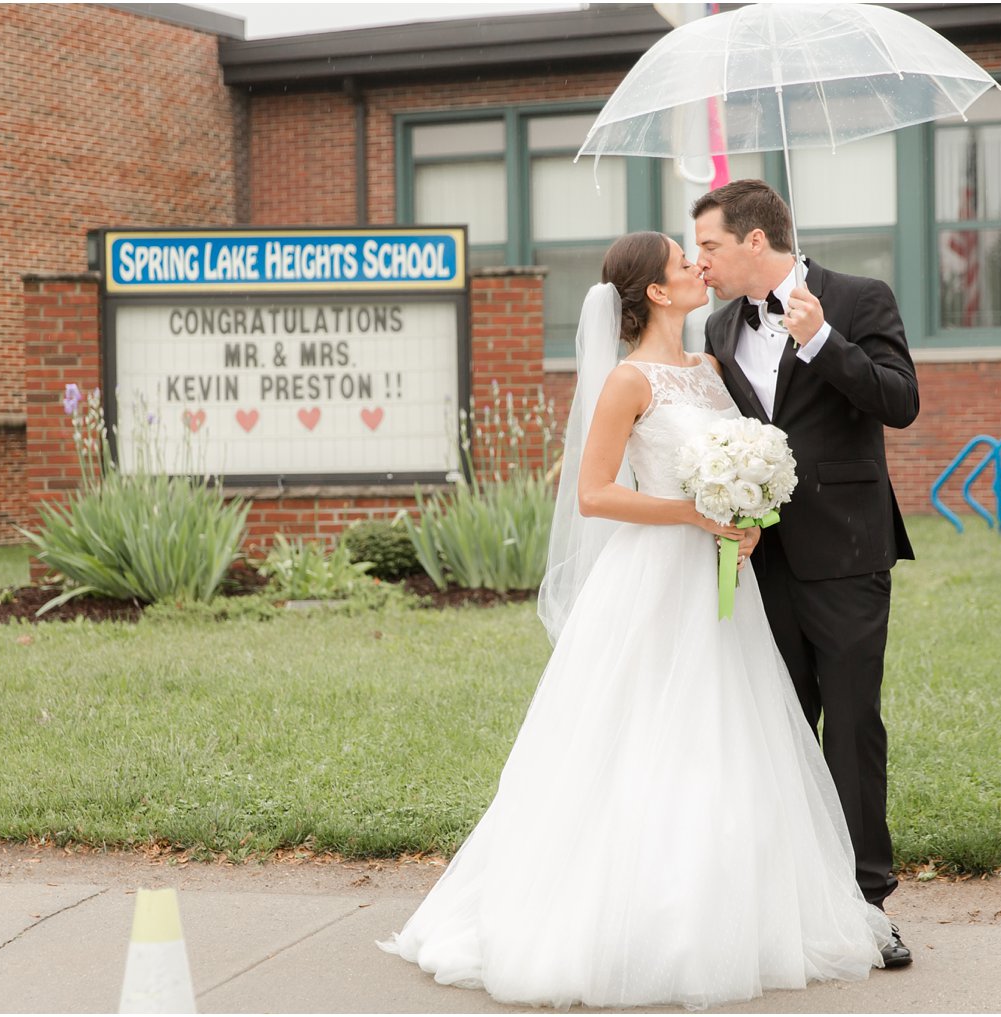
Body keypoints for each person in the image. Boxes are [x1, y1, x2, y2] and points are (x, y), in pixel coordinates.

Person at [377, 231, 891, 1009]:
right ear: (655, 290)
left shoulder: (712, 364)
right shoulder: (626, 382)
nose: (699, 269)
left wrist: (744, 510)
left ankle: (734, 907)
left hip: (724, 577)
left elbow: (744, 453)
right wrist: (693, 510)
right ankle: (635, 917)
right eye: (686, 263)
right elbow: (595, 494)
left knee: (726, 733)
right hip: (653, 578)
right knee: (643, 733)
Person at [692, 179, 920, 967]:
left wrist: (825, 342)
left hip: (849, 552)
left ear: (756, 241)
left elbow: (900, 402)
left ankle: (867, 904)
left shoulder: (859, 298)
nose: (702, 263)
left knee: (851, 727)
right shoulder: (718, 326)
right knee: (777, 732)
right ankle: (790, 903)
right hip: (760, 561)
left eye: (711, 246)